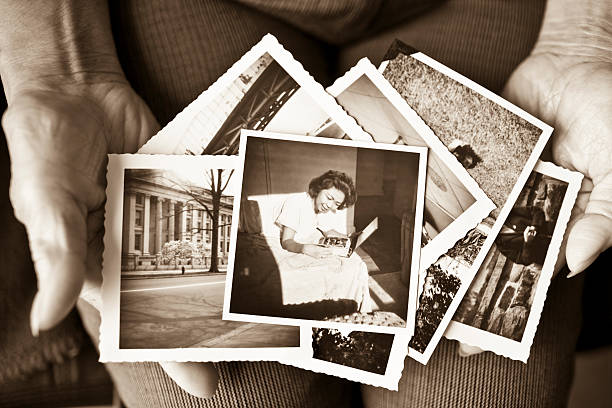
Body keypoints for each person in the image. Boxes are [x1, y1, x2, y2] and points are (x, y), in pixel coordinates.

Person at [1, 0, 610, 406]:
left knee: (480, 391)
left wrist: (586, 38)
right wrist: (60, 74)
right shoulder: (290, 219)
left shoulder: (367, 225)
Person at [277, 170, 357, 259]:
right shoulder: (296, 202)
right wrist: (304, 249)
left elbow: (328, 231)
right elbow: (286, 242)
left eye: (337, 204)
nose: (330, 205)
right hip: (282, 241)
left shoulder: (320, 208)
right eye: (329, 198)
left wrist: (350, 238)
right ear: (319, 188)